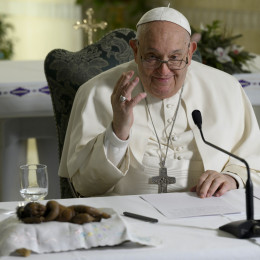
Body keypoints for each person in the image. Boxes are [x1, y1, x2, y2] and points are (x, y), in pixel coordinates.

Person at [58, 6, 260, 198]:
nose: (164, 71)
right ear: (135, 50)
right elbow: (84, 186)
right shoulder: (96, 92)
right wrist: (118, 131)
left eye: (175, 57)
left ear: (190, 52)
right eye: (152, 57)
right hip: (126, 215)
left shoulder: (226, 88)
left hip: (207, 213)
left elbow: (253, 163)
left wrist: (232, 178)